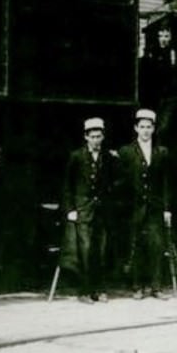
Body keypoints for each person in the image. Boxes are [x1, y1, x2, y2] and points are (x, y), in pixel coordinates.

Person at [117, 108, 171, 299]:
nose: (146, 131)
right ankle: (137, 287)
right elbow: (120, 181)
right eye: (142, 127)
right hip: (134, 207)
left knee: (156, 245)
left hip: (155, 207)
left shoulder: (161, 151)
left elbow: (165, 182)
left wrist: (166, 208)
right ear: (136, 128)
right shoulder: (126, 152)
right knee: (136, 245)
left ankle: (156, 287)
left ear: (154, 129)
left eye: (149, 127)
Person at [61, 117, 117, 302]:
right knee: (85, 250)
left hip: (102, 211)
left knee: (101, 251)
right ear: (86, 137)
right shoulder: (76, 156)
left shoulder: (108, 157)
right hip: (83, 210)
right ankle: (84, 291)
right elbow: (67, 185)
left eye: (99, 137)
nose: (96, 140)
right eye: (92, 137)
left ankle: (99, 289)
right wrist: (71, 209)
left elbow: (113, 182)